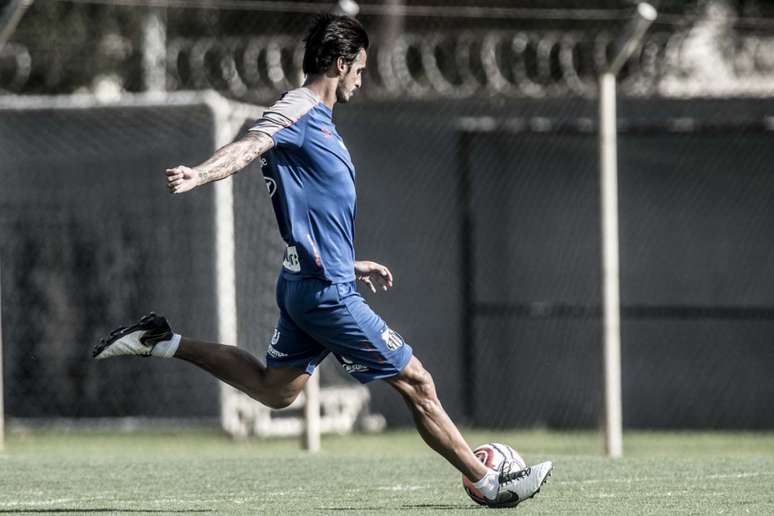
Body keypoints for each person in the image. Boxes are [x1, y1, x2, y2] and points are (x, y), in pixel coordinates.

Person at [93, 13, 551, 508]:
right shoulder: (298, 109)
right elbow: (251, 144)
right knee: (417, 380)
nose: (362, 77)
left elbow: (311, 211)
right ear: (340, 63)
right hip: (325, 292)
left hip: (310, 281)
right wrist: (200, 174)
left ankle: (163, 340)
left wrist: (351, 263)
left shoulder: (322, 123)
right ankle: (488, 482)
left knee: (276, 391)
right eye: (360, 68)